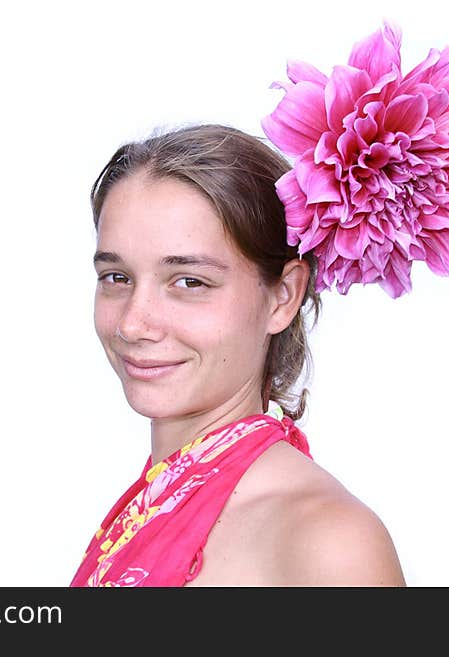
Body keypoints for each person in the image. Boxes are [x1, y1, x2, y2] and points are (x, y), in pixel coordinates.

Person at [69, 123, 406, 587]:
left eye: (190, 282)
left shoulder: (327, 541)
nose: (132, 323)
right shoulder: (146, 506)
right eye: (116, 277)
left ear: (283, 296)